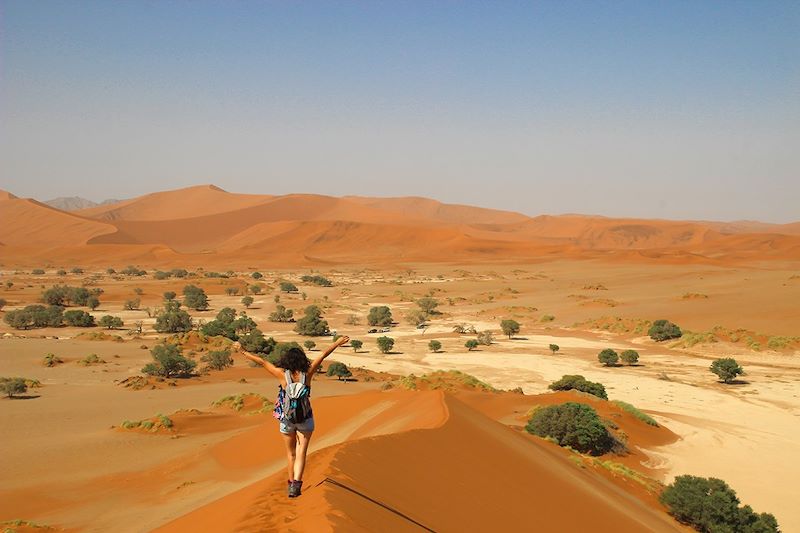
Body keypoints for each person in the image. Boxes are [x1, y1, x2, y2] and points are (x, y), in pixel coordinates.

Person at [232, 335, 350, 498]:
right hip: (305, 419)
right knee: (302, 452)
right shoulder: (307, 373)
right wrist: (337, 343)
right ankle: (296, 484)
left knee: (291, 453)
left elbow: (262, 362)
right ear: (302, 360)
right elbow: (322, 355)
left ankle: (290, 483)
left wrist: (243, 351)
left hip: (286, 420)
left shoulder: (281, 374)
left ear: (286, 360)